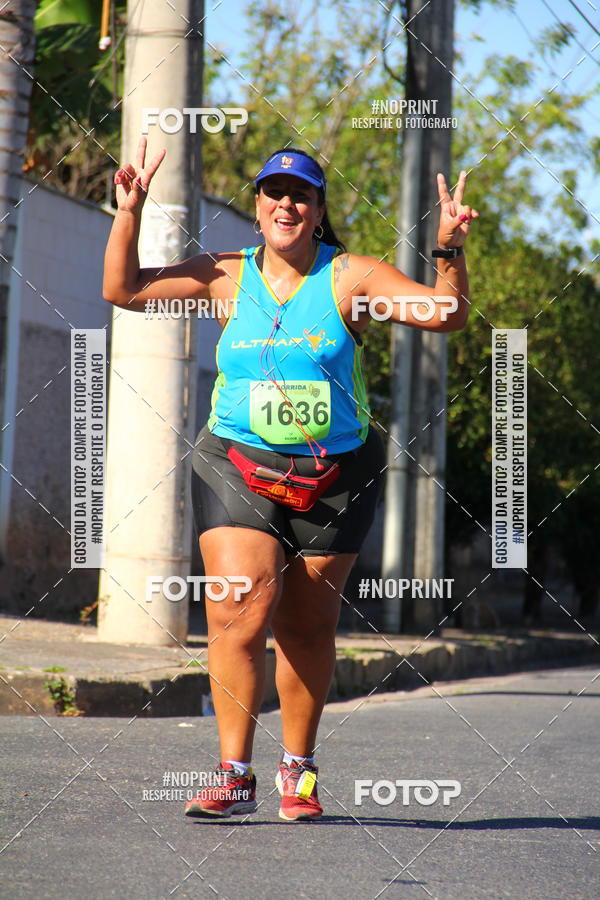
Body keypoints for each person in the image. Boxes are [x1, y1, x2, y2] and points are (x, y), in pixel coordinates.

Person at [104, 139, 477, 822]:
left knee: (307, 626)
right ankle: (233, 771)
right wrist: (129, 212)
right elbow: (124, 290)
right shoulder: (222, 273)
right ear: (256, 207)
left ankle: (298, 771)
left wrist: (448, 249)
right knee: (236, 609)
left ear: (318, 209)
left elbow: (444, 314)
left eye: (301, 194)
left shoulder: (351, 278)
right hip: (236, 460)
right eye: (274, 191)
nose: (286, 203)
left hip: (335, 472)